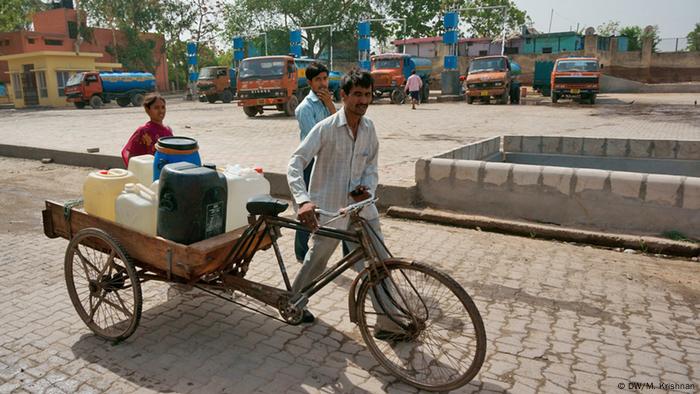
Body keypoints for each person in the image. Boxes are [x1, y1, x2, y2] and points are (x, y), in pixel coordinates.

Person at [287, 69, 405, 337]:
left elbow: (371, 165)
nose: (363, 100)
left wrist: (367, 189)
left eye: (367, 94)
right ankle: (293, 304)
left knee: (380, 263)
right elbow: (295, 163)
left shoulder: (369, 128)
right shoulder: (326, 129)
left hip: (362, 211)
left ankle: (387, 323)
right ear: (343, 96)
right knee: (316, 262)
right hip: (329, 211)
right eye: (357, 95)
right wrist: (303, 201)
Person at [293, 62, 337, 264]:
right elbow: (315, 140)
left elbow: (339, 126)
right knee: (307, 210)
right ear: (310, 82)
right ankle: (301, 253)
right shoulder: (305, 108)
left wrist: (330, 105)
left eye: (325, 79)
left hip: (329, 161)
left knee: (336, 206)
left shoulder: (326, 102)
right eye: (318, 79)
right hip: (311, 163)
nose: (322, 83)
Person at [121, 93, 173, 167]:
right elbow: (132, 158)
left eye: (163, 107)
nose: (161, 111)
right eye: (156, 108)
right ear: (147, 110)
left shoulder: (168, 131)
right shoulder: (143, 131)